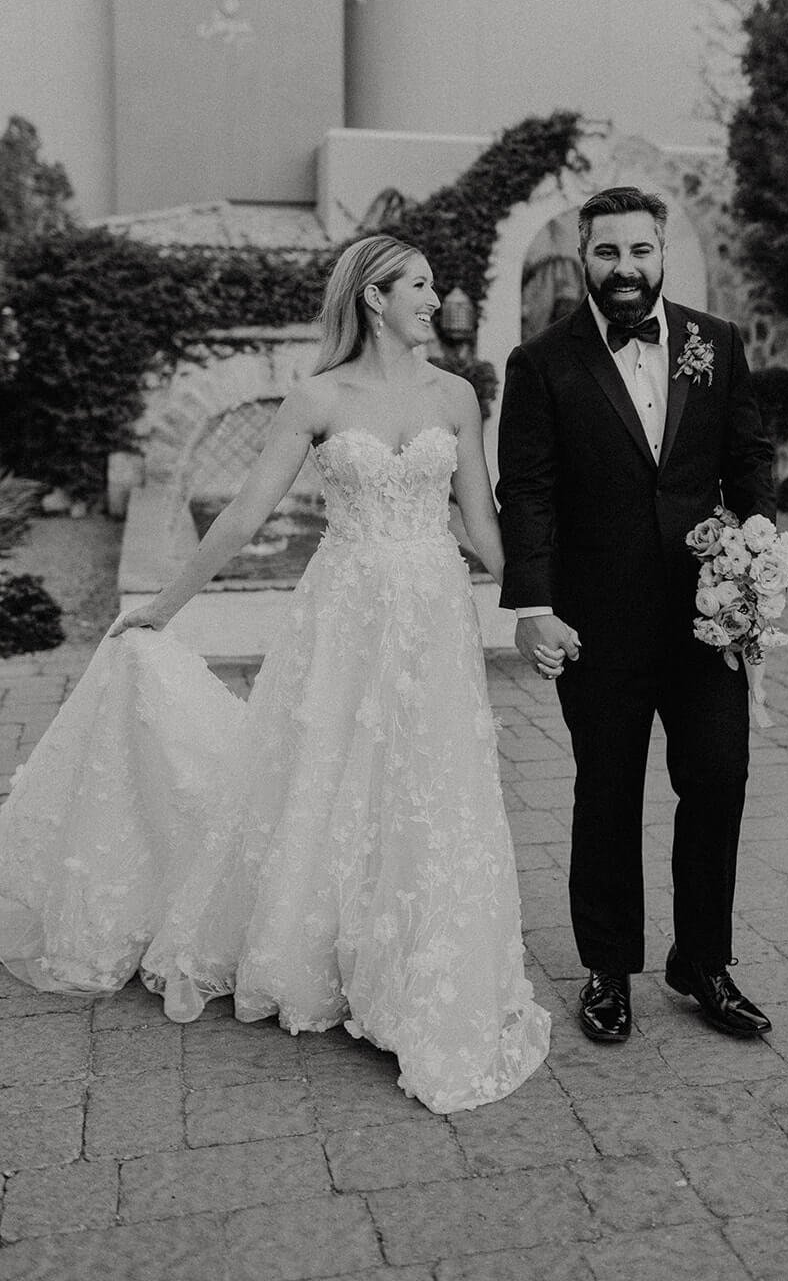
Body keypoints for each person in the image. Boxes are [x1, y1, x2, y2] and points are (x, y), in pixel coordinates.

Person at [0, 235, 550, 1113]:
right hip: (345, 610)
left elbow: (480, 524)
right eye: (419, 285)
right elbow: (248, 511)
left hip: (431, 616)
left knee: (425, 780)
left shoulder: (457, 395)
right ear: (374, 297)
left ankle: (414, 951)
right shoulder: (317, 397)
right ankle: (320, 946)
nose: (434, 298)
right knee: (326, 770)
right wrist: (168, 606)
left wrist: (540, 603)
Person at [497, 186, 776, 1045]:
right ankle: (608, 969)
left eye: (640, 252)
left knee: (718, 781)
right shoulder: (541, 363)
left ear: (663, 254)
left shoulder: (713, 343)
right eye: (608, 253)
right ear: (584, 256)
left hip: (705, 622)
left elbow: (747, 457)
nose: (625, 269)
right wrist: (535, 606)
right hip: (598, 622)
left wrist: (757, 557)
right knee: (608, 794)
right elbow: (529, 492)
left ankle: (702, 963)